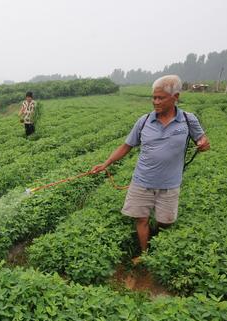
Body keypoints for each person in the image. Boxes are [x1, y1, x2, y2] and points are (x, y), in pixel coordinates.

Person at [90, 75, 210, 262]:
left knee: (165, 222)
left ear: (175, 97)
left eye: (160, 98)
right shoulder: (144, 121)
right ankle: (144, 254)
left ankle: (159, 246)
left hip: (170, 184)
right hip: (142, 181)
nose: (155, 102)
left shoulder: (188, 120)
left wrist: (203, 143)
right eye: (153, 97)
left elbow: (203, 140)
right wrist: (106, 163)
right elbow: (126, 146)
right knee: (141, 219)